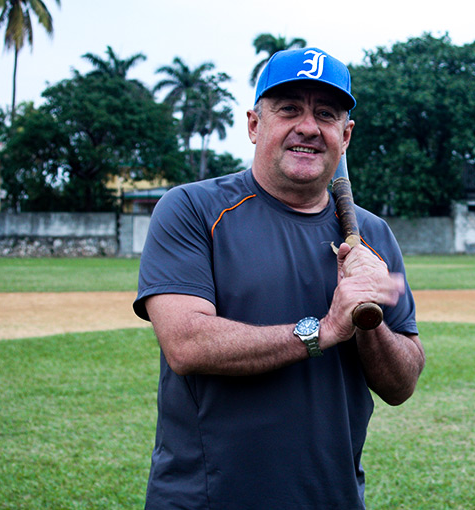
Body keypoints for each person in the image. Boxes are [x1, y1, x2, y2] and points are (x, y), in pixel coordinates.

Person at [133, 47, 424, 509]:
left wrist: (367, 320)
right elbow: (186, 343)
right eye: (289, 109)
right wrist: (326, 329)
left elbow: (401, 384)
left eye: (326, 114)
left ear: (345, 135)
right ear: (254, 125)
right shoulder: (191, 209)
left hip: (332, 498)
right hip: (207, 499)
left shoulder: (373, 237)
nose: (308, 127)